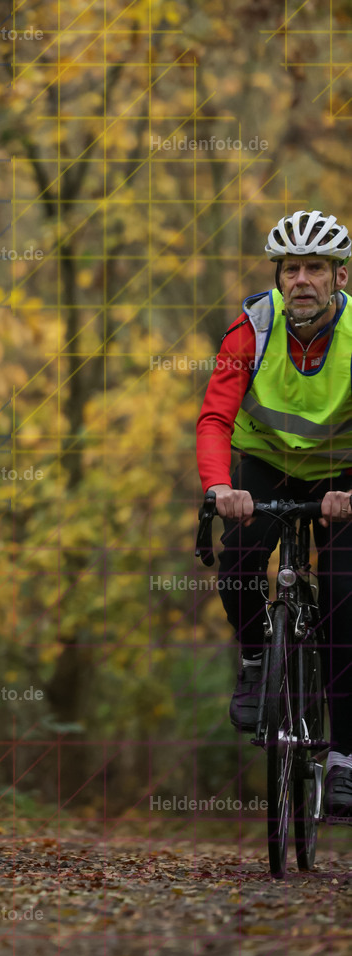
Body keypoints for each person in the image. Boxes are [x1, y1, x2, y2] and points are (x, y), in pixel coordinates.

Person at [196, 210, 352, 819]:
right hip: (265, 466)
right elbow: (216, 418)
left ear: (339, 277)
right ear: (278, 277)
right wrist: (219, 487)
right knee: (238, 558)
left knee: (342, 594)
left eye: (315, 268)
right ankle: (258, 658)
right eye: (291, 269)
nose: (302, 280)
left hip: (342, 475)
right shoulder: (252, 330)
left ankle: (344, 759)